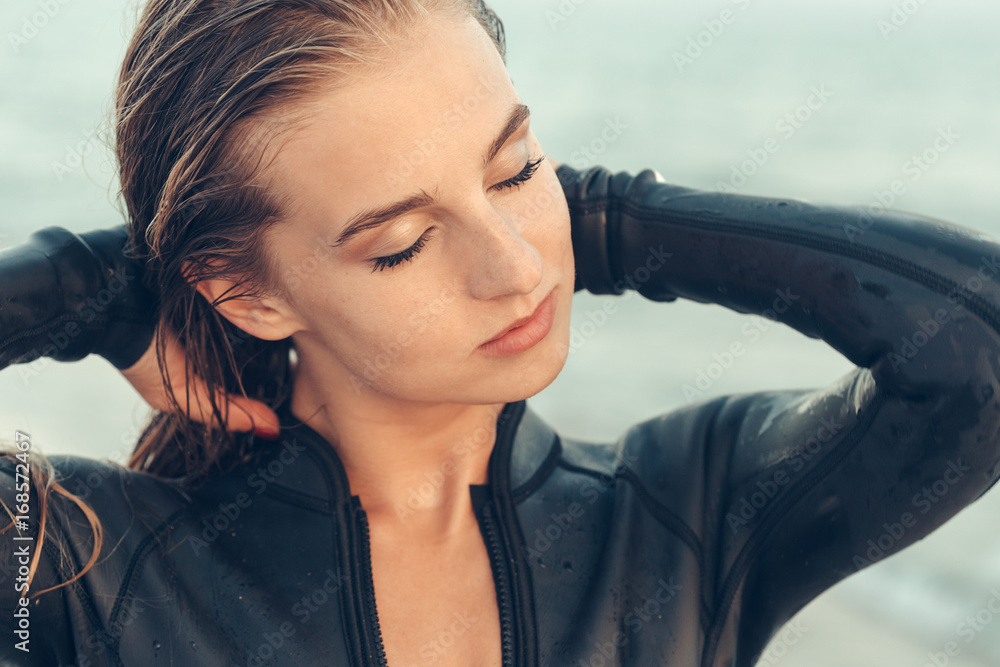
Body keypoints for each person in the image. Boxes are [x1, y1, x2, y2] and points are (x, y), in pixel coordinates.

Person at [2, 0, 1000, 665]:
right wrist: (90, 290)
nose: (517, 269)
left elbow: (977, 352)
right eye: (401, 243)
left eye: (517, 167)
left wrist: (608, 223)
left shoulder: (685, 517)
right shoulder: (84, 568)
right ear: (246, 294)